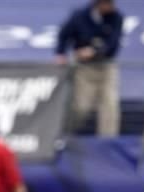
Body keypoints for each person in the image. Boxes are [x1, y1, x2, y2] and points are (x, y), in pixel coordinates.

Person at [55, 0, 124, 137]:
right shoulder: (79, 16)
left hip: (106, 66)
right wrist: (61, 53)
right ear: (98, 4)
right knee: (81, 107)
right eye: (107, 3)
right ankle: (66, 134)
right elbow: (63, 35)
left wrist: (95, 51)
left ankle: (107, 142)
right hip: (83, 69)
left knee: (110, 105)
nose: (111, 7)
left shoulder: (116, 17)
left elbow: (113, 44)